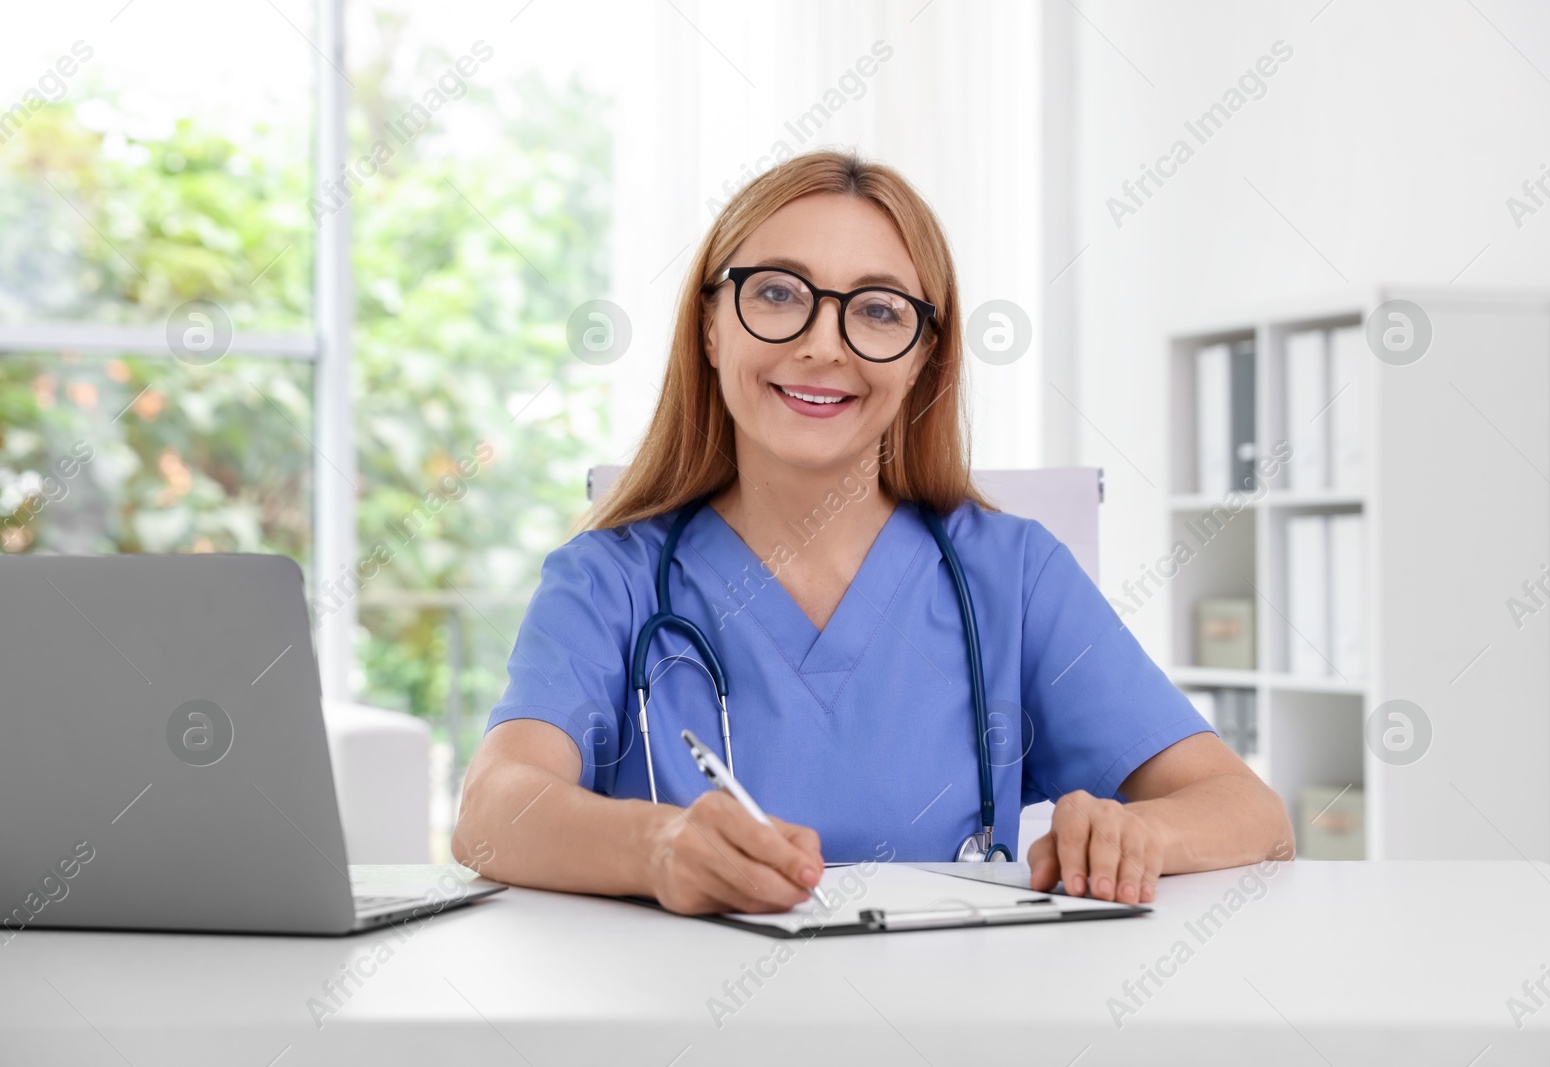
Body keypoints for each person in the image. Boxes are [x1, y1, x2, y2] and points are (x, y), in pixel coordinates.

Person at [453, 150, 1293, 916]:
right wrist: (657, 847)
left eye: (879, 310)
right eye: (777, 291)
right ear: (711, 325)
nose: (824, 345)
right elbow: (492, 811)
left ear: (925, 355)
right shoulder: (608, 580)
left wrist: (1136, 836)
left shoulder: (1014, 576)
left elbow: (1250, 813)